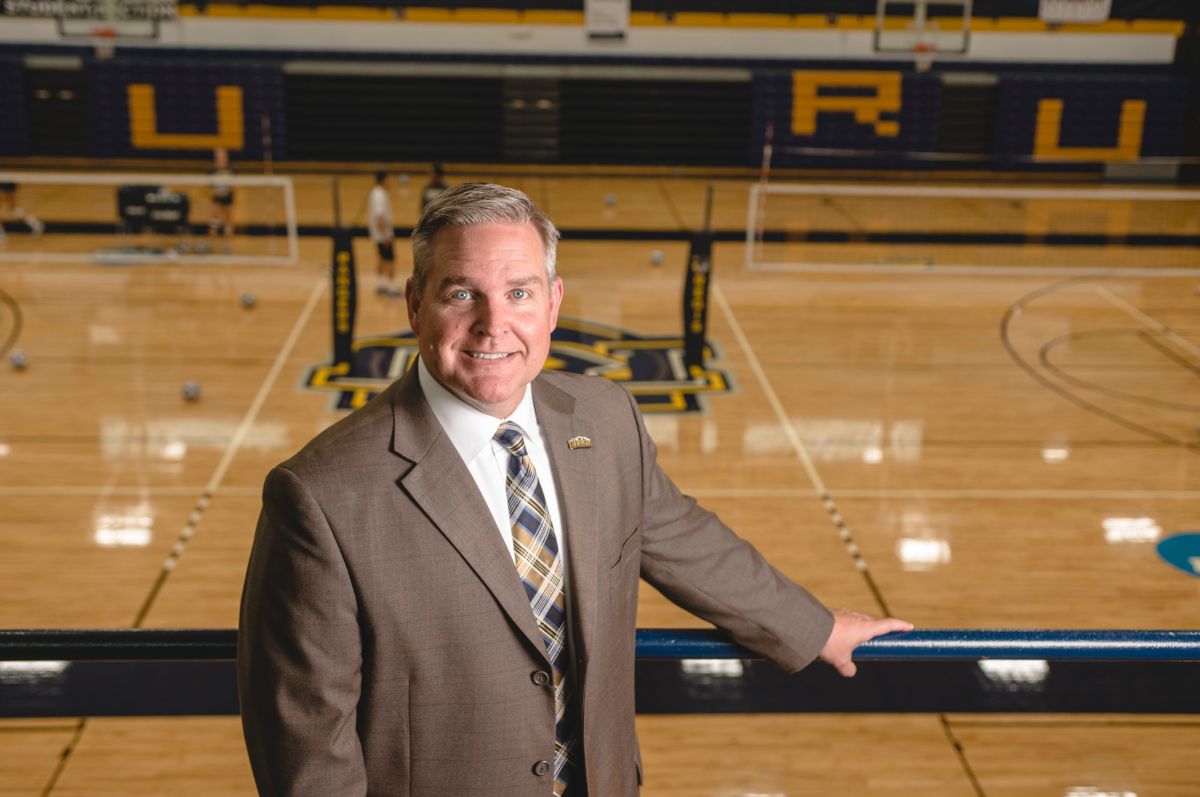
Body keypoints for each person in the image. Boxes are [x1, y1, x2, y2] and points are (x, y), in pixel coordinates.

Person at [238, 183, 911, 796]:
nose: (493, 324)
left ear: (554, 304)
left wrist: (816, 626)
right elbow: (309, 751)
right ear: (416, 304)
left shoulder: (604, 419)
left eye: (520, 293)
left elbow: (681, 538)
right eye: (461, 292)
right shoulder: (321, 496)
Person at [367, 170, 398, 297]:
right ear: (384, 180)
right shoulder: (380, 195)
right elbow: (379, 216)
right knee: (390, 260)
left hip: (377, 234)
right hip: (383, 235)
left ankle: (379, 285)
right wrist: (385, 235)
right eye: (388, 179)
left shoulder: (375, 193)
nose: (390, 182)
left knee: (381, 259)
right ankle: (391, 288)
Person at [208, 147, 235, 254]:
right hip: (217, 198)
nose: (220, 156)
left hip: (228, 198)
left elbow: (235, 185)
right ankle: (210, 244)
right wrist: (215, 193)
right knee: (214, 221)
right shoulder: (212, 169)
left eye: (222, 154)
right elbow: (209, 187)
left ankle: (227, 245)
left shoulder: (231, 169)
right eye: (218, 154)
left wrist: (228, 191)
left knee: (228, 221)